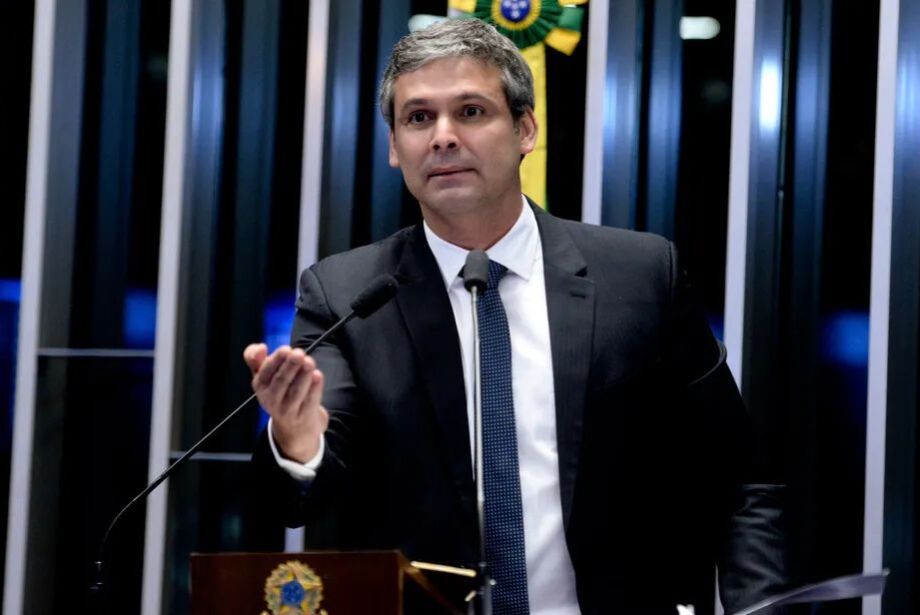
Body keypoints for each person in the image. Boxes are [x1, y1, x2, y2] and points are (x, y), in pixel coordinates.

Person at [246, 18, 786, 614]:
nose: (443, 137)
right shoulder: (347, 294)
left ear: (526, 129)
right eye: (418, 118)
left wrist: (756, 609)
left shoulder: (639, 276)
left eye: (471, 112)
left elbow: (738, 479)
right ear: (396, 148)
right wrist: (296, 442)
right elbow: (300, 500)